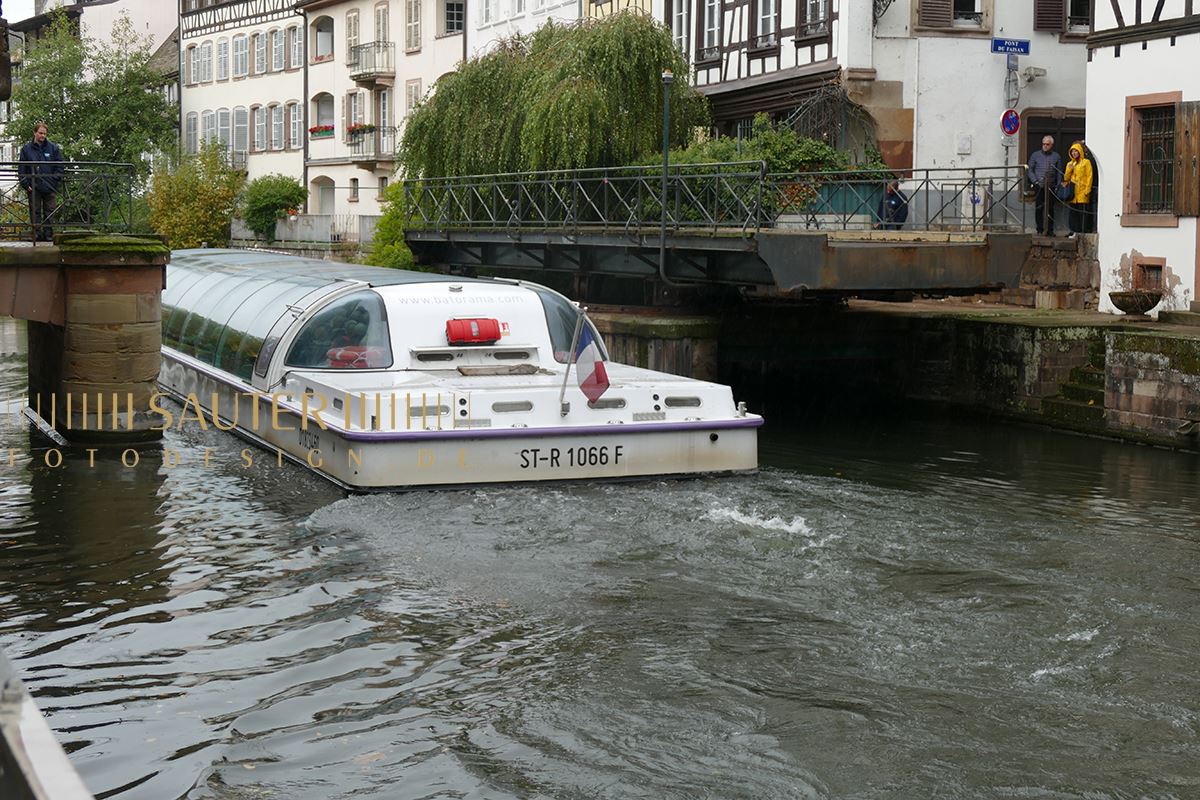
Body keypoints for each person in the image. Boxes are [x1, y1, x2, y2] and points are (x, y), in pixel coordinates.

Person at [18, 121, 64, 243]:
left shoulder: (53, 148)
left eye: (44, 133)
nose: (43, 136)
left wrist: (54, 180)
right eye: (40, 133)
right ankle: (37, 234)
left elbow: (60, 167)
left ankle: (49, 235)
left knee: (50, 211)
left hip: (50, 185)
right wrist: (25, 184)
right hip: (33, 186)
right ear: (35, 132)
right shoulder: (26, 149)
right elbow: (22, 169)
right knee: (35, 211)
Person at [1026, 135, 1062, 236]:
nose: (1045, 146)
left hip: (1051, 186)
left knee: (1050, 209)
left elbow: (1059, 172)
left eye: (1047, 144)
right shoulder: (1035, 155)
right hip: (1039, 186)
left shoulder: (1056, 156)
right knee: (1039, 208)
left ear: (1051, 145)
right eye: (1044, 144)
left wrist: (1058, 185)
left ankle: (1050, 230)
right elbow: (1030, 170)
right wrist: (1035, 181)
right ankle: (1040, 229)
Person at [1061, 139, 1094, 237]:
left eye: (1076, 151)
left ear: (1080, 151)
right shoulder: (1070, 164)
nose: (1074, 153)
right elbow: (1066, 178)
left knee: (1082, 213)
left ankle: (1082, 231)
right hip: (1073, 192)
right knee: (1073, 213)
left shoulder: (1086, 162)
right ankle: (1074, 231)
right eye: (1072, 151)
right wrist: (1069, 169)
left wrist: (1087, 190)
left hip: (1082, 191)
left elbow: (1089, 176)